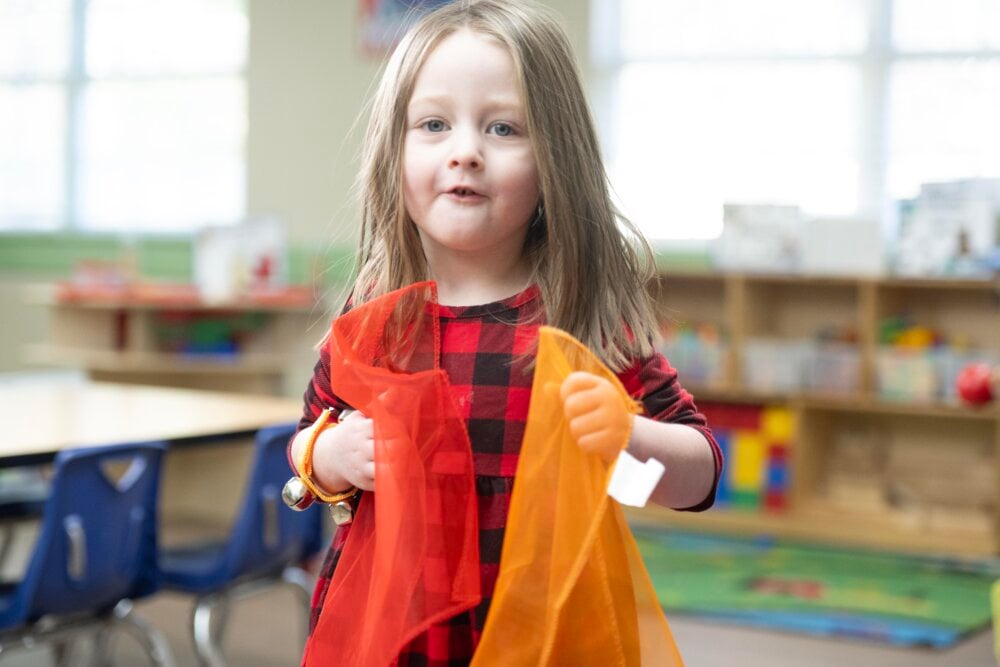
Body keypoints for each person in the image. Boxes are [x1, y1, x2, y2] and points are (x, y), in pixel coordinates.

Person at [289, 0, 722, 662]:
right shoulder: (375, 318)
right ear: (393, 150)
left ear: (555, 158)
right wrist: (331, 455)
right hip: (396, 635)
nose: (465, 152)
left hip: (544, 636)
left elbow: (699, 477)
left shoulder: (581, 315)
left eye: (503, 128)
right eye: (434, 124)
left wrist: (627, 438)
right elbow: (303, 444)